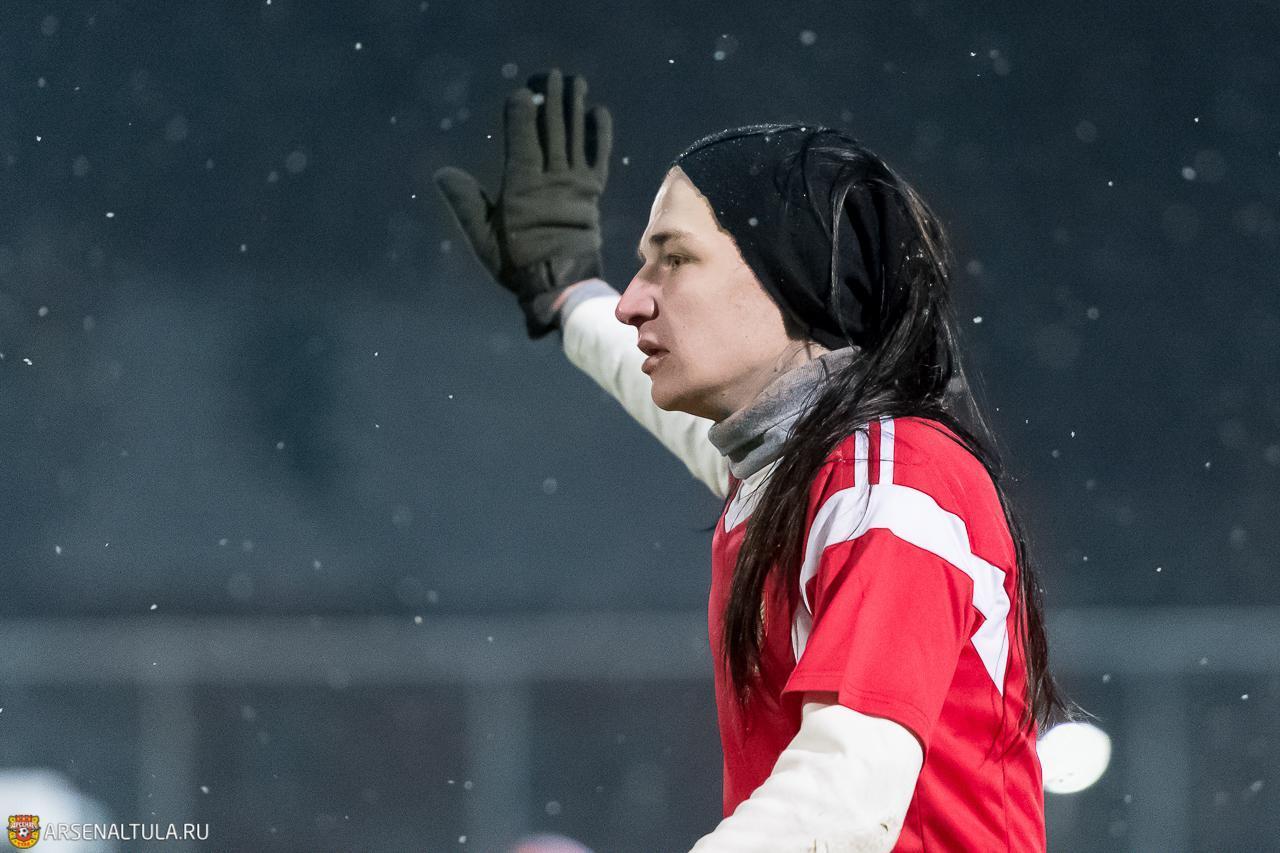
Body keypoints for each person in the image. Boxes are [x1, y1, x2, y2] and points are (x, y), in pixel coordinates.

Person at [435, 68, 1068, 852]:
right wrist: (569, 298)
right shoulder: (822, 469)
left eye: (675, 258)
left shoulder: (891, 481)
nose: (634, 300)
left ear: (790, 273)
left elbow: (843, 799)